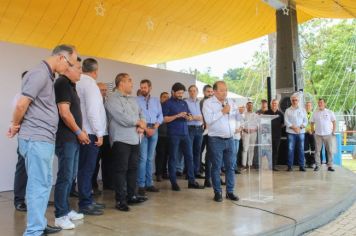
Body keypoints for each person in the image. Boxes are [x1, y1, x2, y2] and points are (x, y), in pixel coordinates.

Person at [8, 44, 78, 236]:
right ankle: (33, 231)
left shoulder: (47, 75)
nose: (70, 69)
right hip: (37, 139)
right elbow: (22, 104)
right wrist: (15, 124)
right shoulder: (39, 74)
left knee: (43, 183)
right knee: (38, 185)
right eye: (71, 64)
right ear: (62, 58)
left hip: (43, 139)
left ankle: (38, 224)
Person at [53, 57, 90, 229]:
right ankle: (60, 215)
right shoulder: (61, 83)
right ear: (67, 68)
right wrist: (78, 132)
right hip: (66, 138)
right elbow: (64, 113)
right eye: (78, 68)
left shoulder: (71, 86)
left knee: (70, 176)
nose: (81, 71)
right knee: (65, 176)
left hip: (73, 139)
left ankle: (66, 210)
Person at [105, 73, 147, 212]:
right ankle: (120, 200)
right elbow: (121, 117)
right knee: (121, 170)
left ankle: (132, 196)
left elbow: (141, 113)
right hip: (121, 140)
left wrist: (142, 124)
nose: (132, 84)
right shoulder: (112, 98)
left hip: (135, 139)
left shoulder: (132, 99)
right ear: (121, 83)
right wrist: (138, 122)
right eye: (129, 81)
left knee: (133, 169)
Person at [76, 58, 107, 215]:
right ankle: (85, 203)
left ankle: (87, 199)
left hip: (80, 131)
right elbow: (92, 112)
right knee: (87, 169)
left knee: (83, 169)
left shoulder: (77, 82)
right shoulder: (91, 85)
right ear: (95, 71)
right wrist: (100, 133)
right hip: (90, 133)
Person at [162, 82, 204, 191]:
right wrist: (177, 116)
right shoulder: (167, 103)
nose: (181, 95)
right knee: (173, 158)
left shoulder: (184, 103)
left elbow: (189, 114)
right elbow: (164, 119)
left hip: (185, 133)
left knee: (189, 157)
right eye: (179, 93)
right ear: (173, 92)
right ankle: (173, 182)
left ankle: (191, 181)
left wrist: (189, 117)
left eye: (182, 93)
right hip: (173, 134)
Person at [203, 81, 239, 202]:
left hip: (230, 139)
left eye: (226, 90)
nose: (225, 92)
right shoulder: (208, 103)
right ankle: (217, 192)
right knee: (216, 167)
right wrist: (222, 111)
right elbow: (208, 120)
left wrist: (240, 114)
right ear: (214, 91)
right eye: (222, 90)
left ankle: (230, 192)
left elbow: (236, 118)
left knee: (230, 167)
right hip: (215, 140)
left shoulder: (231, 102)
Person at [136, 79, 163, 196]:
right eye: (141, 87)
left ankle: (149, 183)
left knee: (150, 158)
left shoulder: (156, 101)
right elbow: (136, 116)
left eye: (145, 87)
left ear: (150, 88)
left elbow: (160, 115)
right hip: (142, 130)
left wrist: (155, 127)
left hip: (154, 129)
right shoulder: (136, 100)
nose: (143, 89)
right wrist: (147, 129)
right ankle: (141, 185)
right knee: (142, 158)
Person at [92, 82, 113, 192]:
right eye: (101, 90)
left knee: (108, 161)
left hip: (107, 136)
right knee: (95, 162)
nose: (104, 92)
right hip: (96, 135)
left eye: (105, 90)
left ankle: (108, 183)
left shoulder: (108, 102)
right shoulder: (94, 102)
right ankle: (93, 184)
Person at [13, 71, 28, 212]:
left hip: (40, 139)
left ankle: (35, 199)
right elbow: (17, 117)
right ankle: (19, 199)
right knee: (22, 168)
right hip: (25, 138)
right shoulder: (20, 97)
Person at [311, 98, 336, 172]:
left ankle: (330, 166)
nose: (320, 104)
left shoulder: (329, 112)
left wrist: (333, 131)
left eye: (321, 102)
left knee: (330, 151)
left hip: (328, 134)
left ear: (325, 103)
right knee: (317, 151)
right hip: (318, 135)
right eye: (319, 103)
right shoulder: (315, 113)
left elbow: (334, 121)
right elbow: (312, 122)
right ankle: (317, 166)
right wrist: (313, 131)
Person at [284, 93, 308, 171]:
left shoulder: (303, 110)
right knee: (290, 149)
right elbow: (286, 122)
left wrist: (300, 127)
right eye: (293, 100)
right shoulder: (288, 110)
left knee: (301, 149)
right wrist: (294, 128)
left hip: (301, 132)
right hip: (291, 133)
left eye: (296, 100)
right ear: (291, 101)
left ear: (298, 101)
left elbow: (305, 121)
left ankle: (301, 166)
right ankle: (290, 166)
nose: (294, 101)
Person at [186, 85, 204, 179]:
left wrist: (194, 117)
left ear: (197, 92)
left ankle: (196, 172)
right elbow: (188, 117)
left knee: (197, 152)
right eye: (191, 91)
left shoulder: (201, 103)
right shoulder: (185, 102)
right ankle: (189, 174)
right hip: (190, 129)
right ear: (188, 92)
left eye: (194, 91)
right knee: (189, 152)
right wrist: (195, 117)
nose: (192, 92)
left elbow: (203, 116)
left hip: (199, 129)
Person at [264, 99, 284, 171]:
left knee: (275, 151)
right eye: (273, 103)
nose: (274, 105)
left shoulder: (280, 114)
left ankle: (273, 166)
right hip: (267, 136)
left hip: (277, 136)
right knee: (267, 151)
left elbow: (282, 124)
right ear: (270, 104)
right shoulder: (266, 112)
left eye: (275, 103)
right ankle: (268, 165)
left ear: (277, 104)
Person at [200, 84, 214, 187]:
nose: (210, 93)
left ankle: (211, 178)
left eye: (211, 91)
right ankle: (207, 178)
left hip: (213, 131)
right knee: (204, 154)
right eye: (208, 91)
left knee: (211, 155)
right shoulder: (202, 102)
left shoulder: (215, 102)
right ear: (204, 92)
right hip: (204, 131)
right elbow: (203, 116)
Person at [155, 92, 170, 181]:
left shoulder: (170, 107)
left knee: (167, 155)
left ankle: (164, 172)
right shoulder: (158, 107)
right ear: (160, 98)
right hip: (160, 134)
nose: (166, 99)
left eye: (168, 97)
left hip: (169, 134)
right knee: (160, 154)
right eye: (164, 97)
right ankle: (158, 173)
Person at [241, 101, 259, 169]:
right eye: (248, 105)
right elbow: (241, 123)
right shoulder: (243, 114)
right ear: (246, 106)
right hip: (246, 133)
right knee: (245, 149)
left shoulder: (256, 115)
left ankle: (250, 164)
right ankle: (243, 164)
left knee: (252, 149)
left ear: (253, 106)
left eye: (251, 105)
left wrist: (254, 129)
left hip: (253, 133)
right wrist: (244, 129)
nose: (250, 107)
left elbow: (258, 125)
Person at [304, 101, 315, 168]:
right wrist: (307, 130)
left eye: (309, 106)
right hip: (305, 133)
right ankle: (307, 163)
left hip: (313, 133)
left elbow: (316, 123)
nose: (308, 107)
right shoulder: (302, 114)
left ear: (311, 107)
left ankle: (312, 162)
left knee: (313, 148)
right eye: (307, 105)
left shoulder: (314, 114)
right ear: (305, 107)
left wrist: (312, 130)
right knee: (306, 149)